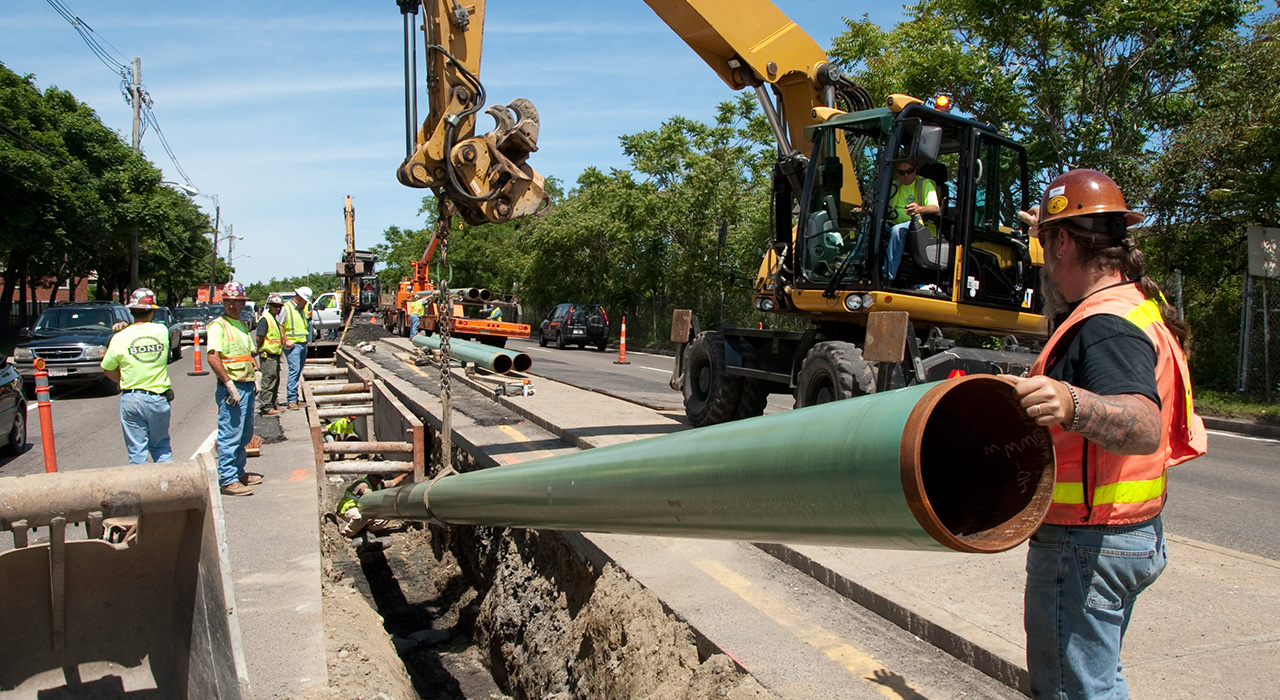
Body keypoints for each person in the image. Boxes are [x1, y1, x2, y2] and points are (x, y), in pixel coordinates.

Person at [1003, 169, 1207, 699]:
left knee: (1074, 690)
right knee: (1098, 680)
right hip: (1128, 533)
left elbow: (1142, 425)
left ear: (1065, 243)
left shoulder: (1104, 324)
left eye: (1048, 246)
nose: (1045, 265)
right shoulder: (1134, 305)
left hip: (1087, 542)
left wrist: (1073, 403)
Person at [100, 288, 173, 464]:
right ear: (152, 311)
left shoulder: (119, 337)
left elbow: (107, 368)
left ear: (131, 311)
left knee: (137, 450)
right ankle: (169, 487)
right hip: (158, 398)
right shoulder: (162, 331)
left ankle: (143, 489)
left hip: (132, 397)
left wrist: (125, 381)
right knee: (161, 445)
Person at [208, 281, 261, 496]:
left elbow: (249, 354)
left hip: (246, 384)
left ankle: (239, 472)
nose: (233, 306)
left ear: (243, 303)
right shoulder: (218, 326)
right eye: (229, 302)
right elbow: (213, 357)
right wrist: (228, 384)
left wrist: (255, 373)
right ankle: (228, 478)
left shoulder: (241, 325)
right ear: (224, 303)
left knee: (244, 432)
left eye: (237, 302)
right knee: (230, 433)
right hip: (232, 388)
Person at [882, 159, 939, 280]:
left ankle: (887, 277)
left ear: (915, 170)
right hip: (892, 223)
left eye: (909, 171)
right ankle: (856, 265)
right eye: (902, 173)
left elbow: (935, 208)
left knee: (897, 231)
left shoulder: (924, 184)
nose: (906, 175)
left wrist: (919, 208)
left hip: (917, 227)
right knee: (872, 225)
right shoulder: (894, 186)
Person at [281, 286, 313, 410]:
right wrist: (286, 340)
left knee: (298, 372)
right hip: (293, 345)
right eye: (305, 300)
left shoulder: (300, 310)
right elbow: (280, 325)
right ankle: (292, 400)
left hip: (301, 343)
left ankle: (295, 398)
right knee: (294, 371)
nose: (305, 303)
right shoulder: (286, 308)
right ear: (299, 297)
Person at [256, 293, 286, 416]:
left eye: (279, 307)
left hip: (274, 354)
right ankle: (266, 406)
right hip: (267, 354)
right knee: (268, 380)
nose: (277, 309)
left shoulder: (273, 319)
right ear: (269, 306)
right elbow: (260, 337)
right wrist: (261, 348)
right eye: (275, 306)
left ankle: (272, 403)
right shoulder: (265, 319)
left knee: (275, 379)